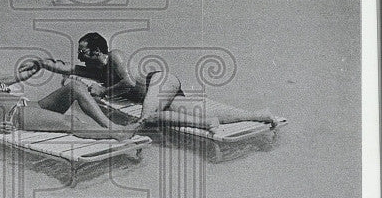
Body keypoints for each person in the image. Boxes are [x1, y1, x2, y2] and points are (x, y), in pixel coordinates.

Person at [21, 33, 279, 133]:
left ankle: (206, 125)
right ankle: (260, 115)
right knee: (192, 109)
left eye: (83, 51)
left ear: (98, 50)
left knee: (148, 118)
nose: (79, 56)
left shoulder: (115, 57)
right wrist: (41, 63)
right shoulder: (93, 69)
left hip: (161, 81)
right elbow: (63, 66)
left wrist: (103, 90)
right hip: (154, 94)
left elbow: (128, 82)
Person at [0, 47, 138, 140]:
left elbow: (19, 76)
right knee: (70, 122)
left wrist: (37, 65)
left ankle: (110, 126)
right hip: (17, 116)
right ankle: (117, 135)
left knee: (74, 86)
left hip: (31, 107)